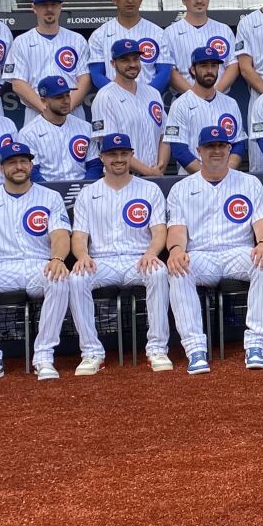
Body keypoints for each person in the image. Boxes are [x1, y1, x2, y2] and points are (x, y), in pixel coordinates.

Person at [0, 141, 72, 384]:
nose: (19, 166)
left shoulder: (50, 197)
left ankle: (43, 356)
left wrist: (57, 258)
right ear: (1, 168)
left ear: (31, 165)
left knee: (60, 279)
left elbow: (61, 236)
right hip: (3, 267)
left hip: (39, 265)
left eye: (23, 161)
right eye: (12, 162)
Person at [165, 125, 263, 372]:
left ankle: (255, 345)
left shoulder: (250, 183)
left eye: (221, 146)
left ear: (229, 149)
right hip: (201, 254)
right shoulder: (181, 188)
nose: (216, 151)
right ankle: (195, 349)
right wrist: (175, 250)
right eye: (210, 146)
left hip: (238, 251)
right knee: (177, 268)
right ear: (199, 151)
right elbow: (176, 231)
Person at [68, 133, 171, 374]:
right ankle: (91, 352)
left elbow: (159, 231)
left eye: (123, 154)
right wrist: (82, 256)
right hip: (101, 261)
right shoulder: (87, 194)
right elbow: (79, 237)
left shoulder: (149, 189)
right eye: (113, 154)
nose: (118, 159)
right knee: (76, 278)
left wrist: (152, 252)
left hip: (138, 258)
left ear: (131, 155)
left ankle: (157, 348)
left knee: (158, 272)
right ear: (102, 157)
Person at [6, 0, 91, 125]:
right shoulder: (21, 41)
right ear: (34, 8)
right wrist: (45, 109)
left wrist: (67, 107)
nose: (49, 9)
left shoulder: (77, 40)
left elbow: (85, 80)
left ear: (60, 7)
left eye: (53, 5)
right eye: (44, 5)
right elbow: (18, 83)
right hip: (36, 112)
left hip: (73, 112)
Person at [90, 39, 167, 177]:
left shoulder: (153, 93)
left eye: (136, 59)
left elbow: (164, 135)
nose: (132, 64)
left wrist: (160, 166)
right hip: (122, 177)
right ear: (113, 63)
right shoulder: (105, 97)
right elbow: (111, 147)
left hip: (156, 176)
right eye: (125, 60)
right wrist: (149, 172)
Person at [163, 47, 247, 173]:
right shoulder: (180, 104)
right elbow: (179, 149)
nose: (209, 70)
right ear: (193, 70)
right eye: (203, 65)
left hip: (227, 178)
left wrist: (227, 173)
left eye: (213, 66)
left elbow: (238, 144)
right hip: (191, 179)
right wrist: (207, 175)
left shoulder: (231, 103)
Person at [87, 0, 173, 94]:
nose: (130, 0)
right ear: (114, 0)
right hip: (114, 100)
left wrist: (147, 96)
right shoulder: (99, 34)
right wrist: (118, 95)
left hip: (149, 100)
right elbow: (97, 74)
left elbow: (164, 72)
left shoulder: (158, 33)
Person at [19, 75, 101, 182]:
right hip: (46, 194)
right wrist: (54, 194)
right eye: (59, 97)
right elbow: (32, 172)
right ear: (44, 101)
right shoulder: (28, 133)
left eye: (67, 95)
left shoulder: (85, 127)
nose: (66, 101)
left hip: (82, 190)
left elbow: (95, 166)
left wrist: (82, 189)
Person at [163, 0, 237, 96]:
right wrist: (195, 95)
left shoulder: (224, 30)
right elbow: (170, 70)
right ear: (183, 0)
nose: (198, 0)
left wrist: (215, 93)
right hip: (184, 100)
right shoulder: (170, 33)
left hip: (220, 100)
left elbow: (233, 65)